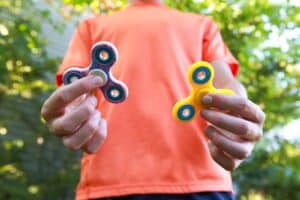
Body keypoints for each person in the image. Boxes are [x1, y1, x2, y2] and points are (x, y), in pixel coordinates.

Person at [41, 0, 265, 200]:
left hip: (121, 181)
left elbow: (226, 85)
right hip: (191, 183)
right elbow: (74, 88)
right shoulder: (90, 27)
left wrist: (238, 116)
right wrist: (71, 114)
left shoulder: (203, 25)